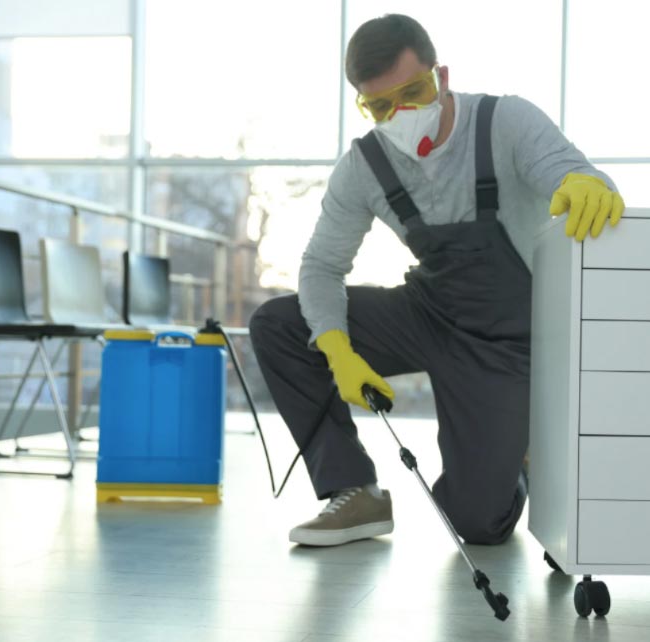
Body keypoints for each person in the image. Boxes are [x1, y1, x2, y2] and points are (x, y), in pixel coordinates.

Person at [249, 14, 624, 548]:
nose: (401, 115)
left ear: (441, 76)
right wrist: (337, 350)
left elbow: (570, 169)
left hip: (509, 341)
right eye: (381, 106)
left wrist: (586, 185)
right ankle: (354, 490)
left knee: (475, 525)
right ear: (363, 104)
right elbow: (321, 267)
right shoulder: (365, 166)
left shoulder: (504, 122)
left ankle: (513, 458)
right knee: (278, 325)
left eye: (414, 92)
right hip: (430, 314)